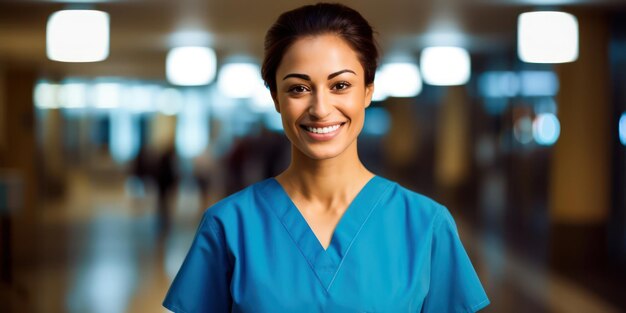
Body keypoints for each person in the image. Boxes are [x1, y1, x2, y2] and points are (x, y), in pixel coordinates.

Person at [163, 3, 490, 312]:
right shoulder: (229, 226)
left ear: (368, 91)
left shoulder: (424, 225)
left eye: (341, 85)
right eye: (298, 89)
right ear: (276, 98)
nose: (320, 109)